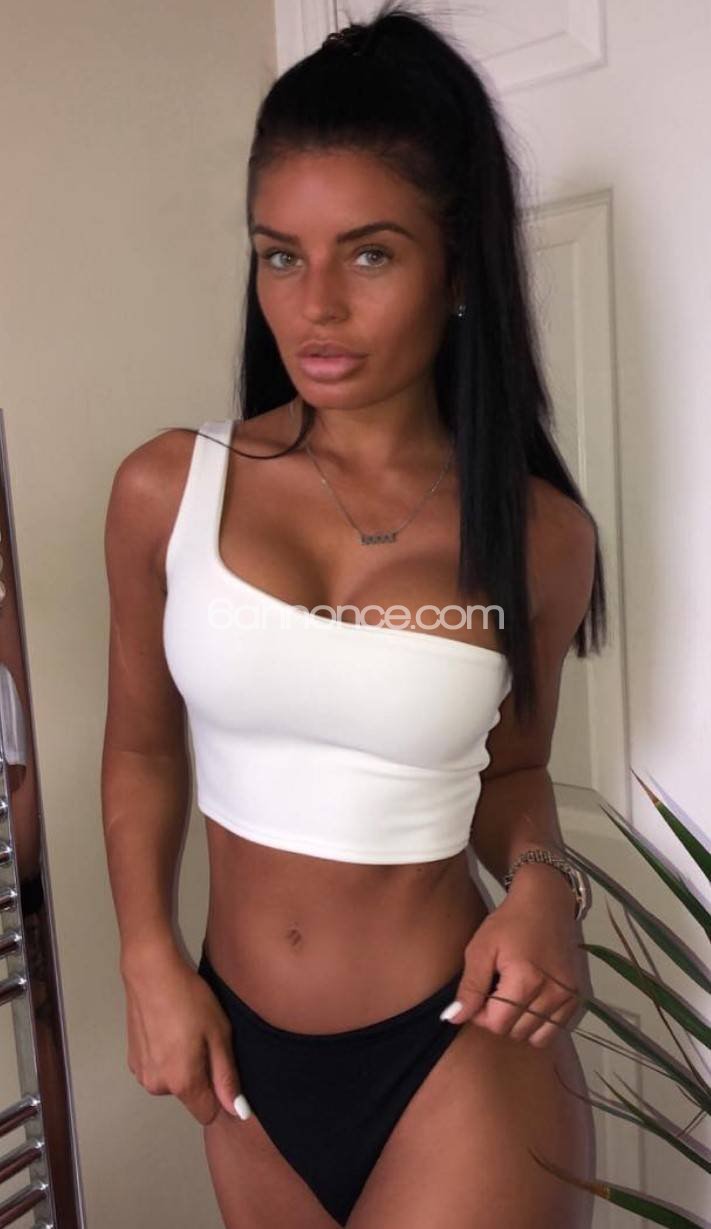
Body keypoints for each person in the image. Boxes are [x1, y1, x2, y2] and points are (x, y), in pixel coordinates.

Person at [102, 4, 606, 1226]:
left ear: (460, 268)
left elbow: (514, 770)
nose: (314, 305)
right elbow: (144, 747)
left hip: (458, 1047)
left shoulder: (538, 533)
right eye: (281, 255)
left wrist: (543, 885)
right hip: (243, 1062)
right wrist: (148, 953)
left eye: (370, 255)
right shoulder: (167, 489)